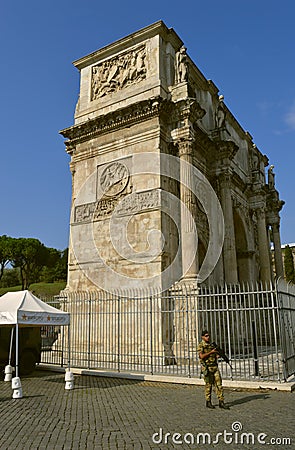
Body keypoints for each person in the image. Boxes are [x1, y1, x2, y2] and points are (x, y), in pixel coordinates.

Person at [197, 330, 230, 409]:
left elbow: (214, 355)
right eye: (206, 336)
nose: (208, 337)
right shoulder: (201, 345)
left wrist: (217, 355)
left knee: (219, 385)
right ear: (202, 337)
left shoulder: (211, 345)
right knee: (208, 386)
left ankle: (221, 402)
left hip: (215, 366)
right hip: (207, 368)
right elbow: (201, 356)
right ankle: (208, 401)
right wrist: (211, 352)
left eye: (208, 336)